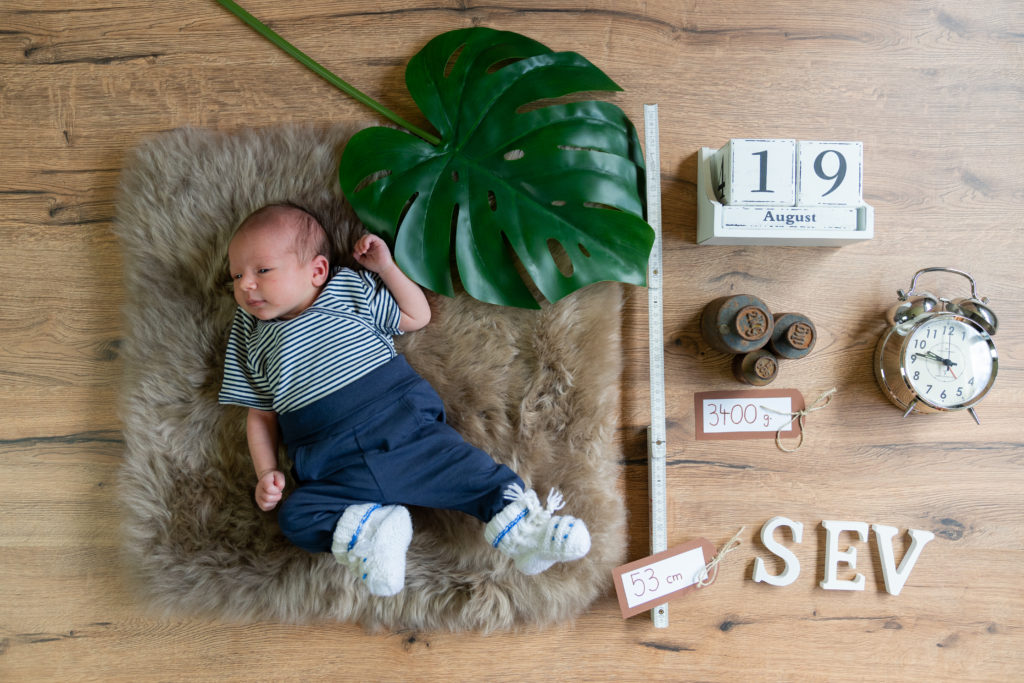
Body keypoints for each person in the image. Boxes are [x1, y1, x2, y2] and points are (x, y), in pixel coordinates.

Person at [218, 204, 590, 596]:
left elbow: (416, 316)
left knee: (475, 474)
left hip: (404, 432)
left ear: (317, 271)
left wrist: (386, 269)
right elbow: (259, 414)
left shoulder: (346, 290)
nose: (246, 285)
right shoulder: (248, 335)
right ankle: (374, 532)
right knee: (297, 517)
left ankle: (527, 533)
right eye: (237, 276)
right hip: (332, 466)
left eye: (262, 271)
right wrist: (265, 472)